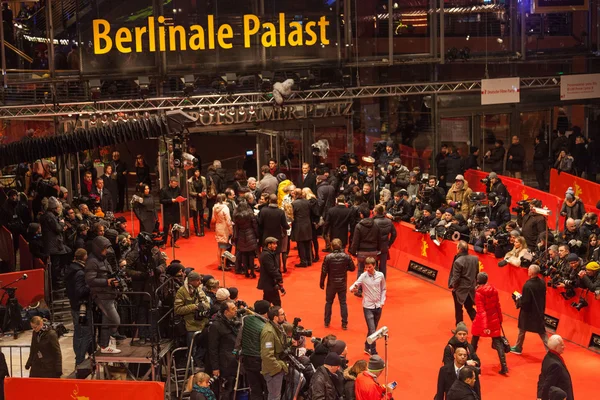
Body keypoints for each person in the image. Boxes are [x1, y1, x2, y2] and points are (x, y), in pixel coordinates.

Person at [85, 236, 123, 354]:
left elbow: (107, 273)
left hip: (108, 293)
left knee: (107, 320)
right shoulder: (92, 261)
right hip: (101, 295)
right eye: (105, 248)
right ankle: (109, 340)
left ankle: (104, 345)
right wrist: (106, 282)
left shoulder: (102, 259)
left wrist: (114, 280)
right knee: (115, 320)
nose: (106, 250)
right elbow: (89, 280)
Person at [470, 272, 508, 375]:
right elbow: (498, 306)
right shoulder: (494, 290)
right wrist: (500, 319)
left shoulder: (478, 293)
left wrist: (485, 326)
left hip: (482, 321)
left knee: (474, 340)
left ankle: (469, 362)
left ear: (478, 280)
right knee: (498, 343)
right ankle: (504, 366)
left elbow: (481, 311)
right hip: (494, 318)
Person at [349, 257, 386, 356]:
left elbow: (383, 289)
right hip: (367, 307)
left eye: (369, 267)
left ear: (374, 266)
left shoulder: (380, 275)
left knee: (371, 329)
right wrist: (354, 289)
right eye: (366, 267)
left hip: (378, 306)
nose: (367, 269)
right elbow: (353, 287)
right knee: (373, 330)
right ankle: (373, 351)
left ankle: (366, 345)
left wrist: (382, 302)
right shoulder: (363, 276)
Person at [175, 272, 211, 368]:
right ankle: (190, 368)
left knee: (205, 346)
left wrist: (202, 306)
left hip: (203, 323)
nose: (200, 282)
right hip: (190, 325)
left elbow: (208, 304)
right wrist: (194, 307)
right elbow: (178, 309)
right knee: (192, 349)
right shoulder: (182, 292)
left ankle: (197, 361)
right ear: (191, 281)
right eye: (198, 280)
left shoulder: (200, 290)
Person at [511, 264, 549, 354]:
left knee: (522, 329)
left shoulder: (527, 285)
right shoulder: (542, 283)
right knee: (542, 332)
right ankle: (551, 351)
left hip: (528, 312)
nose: (527, 271)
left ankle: (518, 347)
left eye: (529, 270)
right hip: (539, 311)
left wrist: (518, 300)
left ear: (532, 272)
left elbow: (525, 302)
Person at [237, 300, 270, 400]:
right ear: (266, 311)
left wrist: (237, 352)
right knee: (268, 389)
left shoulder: (245, 319)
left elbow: (239, 339)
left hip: (247, 360)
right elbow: (268, 347)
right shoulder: (266, 327)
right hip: (260, 361)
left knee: (255, 389)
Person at [65, 248, 92, 371]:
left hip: (75, 306)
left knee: (78, 333)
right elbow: (80, 291)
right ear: (84, 257)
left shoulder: (71, 269)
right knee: (84, 333)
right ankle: (80, 361)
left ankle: (80, 359)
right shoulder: (80, 272)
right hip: (82, 308)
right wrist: (90, 286)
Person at [321, 238, 355, 329]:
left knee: (328, 302)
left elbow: (324, 271)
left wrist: (321, 282)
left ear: (332, 246)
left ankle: (326, 322)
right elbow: (353, 268)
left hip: (331, 284)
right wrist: (345, 268)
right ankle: (344, 324)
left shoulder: (328, 257)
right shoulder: (346, 256)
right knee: (343, 303)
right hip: (342, 283)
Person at [208, 300, 240, 400]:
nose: (236, 311)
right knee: (226, 390)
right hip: (224, 364)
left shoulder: (233, 321)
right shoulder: (216, 325)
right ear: (226, 312)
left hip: (233, 360)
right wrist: (215, 368)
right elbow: (212, 348)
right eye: (233, 309)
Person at [260, 306, 288, 400]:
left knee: (298, 380)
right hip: (272, 370)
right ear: (276, 317)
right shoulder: (269, 332)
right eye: (282, 314)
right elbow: (267, 355)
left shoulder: (278, 327)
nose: (285, 316)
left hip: (278, 365)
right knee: (274, 397)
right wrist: (278, 367)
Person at [449, 241, 478, 326]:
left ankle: (459, 328)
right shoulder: (475, 259)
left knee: (458, 309)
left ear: (459, 249)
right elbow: (477, 274)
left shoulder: (458, 261)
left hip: (460, 290)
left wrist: (454, 286)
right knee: (469, 308)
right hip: (471, 288)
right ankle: (478, 326)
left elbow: (456, 277)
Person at [258, 194, 289, 272]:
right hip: (277, 236)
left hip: (266, 235)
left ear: (269, 201)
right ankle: (277, 270)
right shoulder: (280, 212)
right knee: (277, 254)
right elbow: (284, 225)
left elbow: (260, 223)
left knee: (265, 253)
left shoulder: (263, 210)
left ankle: (265, 269)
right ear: (277, 201)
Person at [537, 335, 574, 400]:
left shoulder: (547, 356)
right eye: (562, 345)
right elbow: (547, 385)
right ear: (555, 347)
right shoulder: (555, 365)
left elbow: (542, 378)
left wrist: (539, 396)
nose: (564, 347)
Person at [233, 201, 259, 277]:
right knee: (251, 254)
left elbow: (236, 228)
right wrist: (257, 235)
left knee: (244, 254)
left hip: (241, 234)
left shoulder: (237, 215)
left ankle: (246, 272)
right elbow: (254, 225)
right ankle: (252, 272)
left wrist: (236, 237)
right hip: (250, 233)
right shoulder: (250, 214)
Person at [372, 204, 397, 277]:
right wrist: (389, 244)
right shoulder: (389, 221)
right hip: (384, 246)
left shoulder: (373, 222)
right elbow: (394, 234)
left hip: (374, 246)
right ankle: (382, 282)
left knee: (372, 264)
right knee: (383, 266)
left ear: (376, 212)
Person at [258, 237, 284, 306]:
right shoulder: (267, 255)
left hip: (269, 283)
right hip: (269, 284)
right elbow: (271, 269)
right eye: (274, 244)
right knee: (277, 304)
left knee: (266, 303)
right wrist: (279, 278)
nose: (276, 245)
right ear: (269, 245)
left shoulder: (268, 253)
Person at [160, 176, 184, 248]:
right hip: (167, 210)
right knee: (166, 227)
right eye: (174, 184)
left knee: (175, 227)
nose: (175, 185)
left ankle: (173, 242)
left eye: (176, 184)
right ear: (170, 182)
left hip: (175, 210)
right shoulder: (164, 190)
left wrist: (180, 199)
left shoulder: (178, 189)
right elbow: (161, 200)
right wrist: (171, 200)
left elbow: (180, 196)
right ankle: (163, 242)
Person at [291, 188, 313, 267]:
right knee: (307, 244)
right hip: (307, 224)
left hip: (298, 226)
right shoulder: (307, 202)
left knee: (300, 245)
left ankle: (303, 262)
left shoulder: (294, 203)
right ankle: (309, 260)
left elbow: (291, 215)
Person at [212, 193, 233, 271]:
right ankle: (224, 265)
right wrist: (231, 230)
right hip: (224, 228)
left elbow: (213, 219)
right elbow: (228, 220)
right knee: (224, 248)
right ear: (224, 199)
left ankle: (219, 264)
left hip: (218, 227)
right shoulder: (225, 208)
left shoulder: (214, 207)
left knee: (219, 247)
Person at [188, 168, 207, 237]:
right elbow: (190, 192)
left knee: (201, 215)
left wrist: (204, 193)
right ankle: (197, 231)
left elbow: (205, 188)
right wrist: (197, 194)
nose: (197, 173)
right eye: (196, 171)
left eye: (198, 171)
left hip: (202, 199)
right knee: (195, 216)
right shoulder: (190, 181)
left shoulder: (203, 179)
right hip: (194, 199)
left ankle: (202, 230)